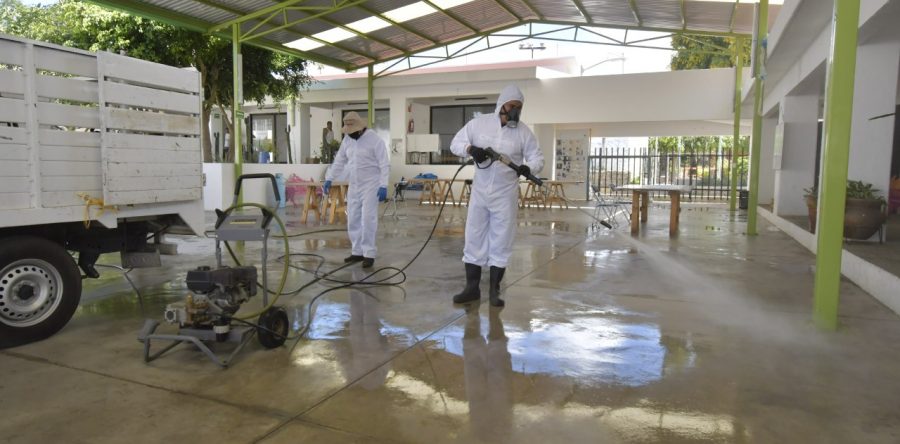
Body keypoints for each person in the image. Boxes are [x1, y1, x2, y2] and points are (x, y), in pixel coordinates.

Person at [450, 85, 544, 307]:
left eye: (519, 108)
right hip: (480, 192)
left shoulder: (523, 132)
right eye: (512, 106)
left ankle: (494, 291)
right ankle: (472, 288)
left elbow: (537, 158)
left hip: (505, 193)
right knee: (474, 236)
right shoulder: (478, 124)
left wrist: (528, 167)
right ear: (502, 104)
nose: (515, 112)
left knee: (501, 239)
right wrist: (471, 149)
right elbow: (456, 143)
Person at [323, 112, 389, 268]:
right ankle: (357, 251)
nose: (349, 134)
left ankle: (369, 254)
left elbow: (384, 164)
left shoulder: (375, 140)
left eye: (352, 132)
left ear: (360, 128)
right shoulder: (347, 140)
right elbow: (339, 160)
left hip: (371, 185)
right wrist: (330, 178)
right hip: (354, 184)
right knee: (353, 217)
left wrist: (384, 185)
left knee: (368, 219)